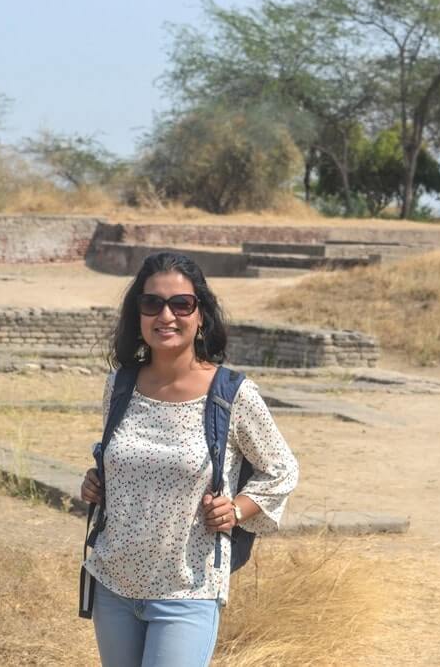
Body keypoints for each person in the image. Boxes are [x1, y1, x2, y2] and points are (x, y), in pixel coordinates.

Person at [79, 251, 299, 667]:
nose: (166, 315)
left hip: (188, 589)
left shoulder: (231, 394)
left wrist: (236, 509)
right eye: (152, 303)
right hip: (114, 583)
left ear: (201, 315)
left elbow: (282, 469)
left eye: (181, 304)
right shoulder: (120, 385)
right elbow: (121, 457)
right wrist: (97, 481)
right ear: (138, 314)